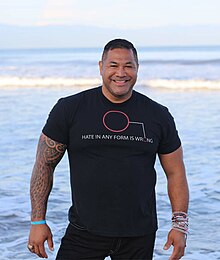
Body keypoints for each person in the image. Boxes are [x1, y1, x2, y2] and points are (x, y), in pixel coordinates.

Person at [28, 39, 189, 260]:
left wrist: (180, 226)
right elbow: (44, 164)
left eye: (128, 66)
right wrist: (38, 221)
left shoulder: (158, 115)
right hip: (84, 232)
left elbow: (176, 172)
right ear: (101, 67)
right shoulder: (70, 108)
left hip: (138, 234)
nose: (121, 73)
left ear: (137, 69)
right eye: (113, 65)